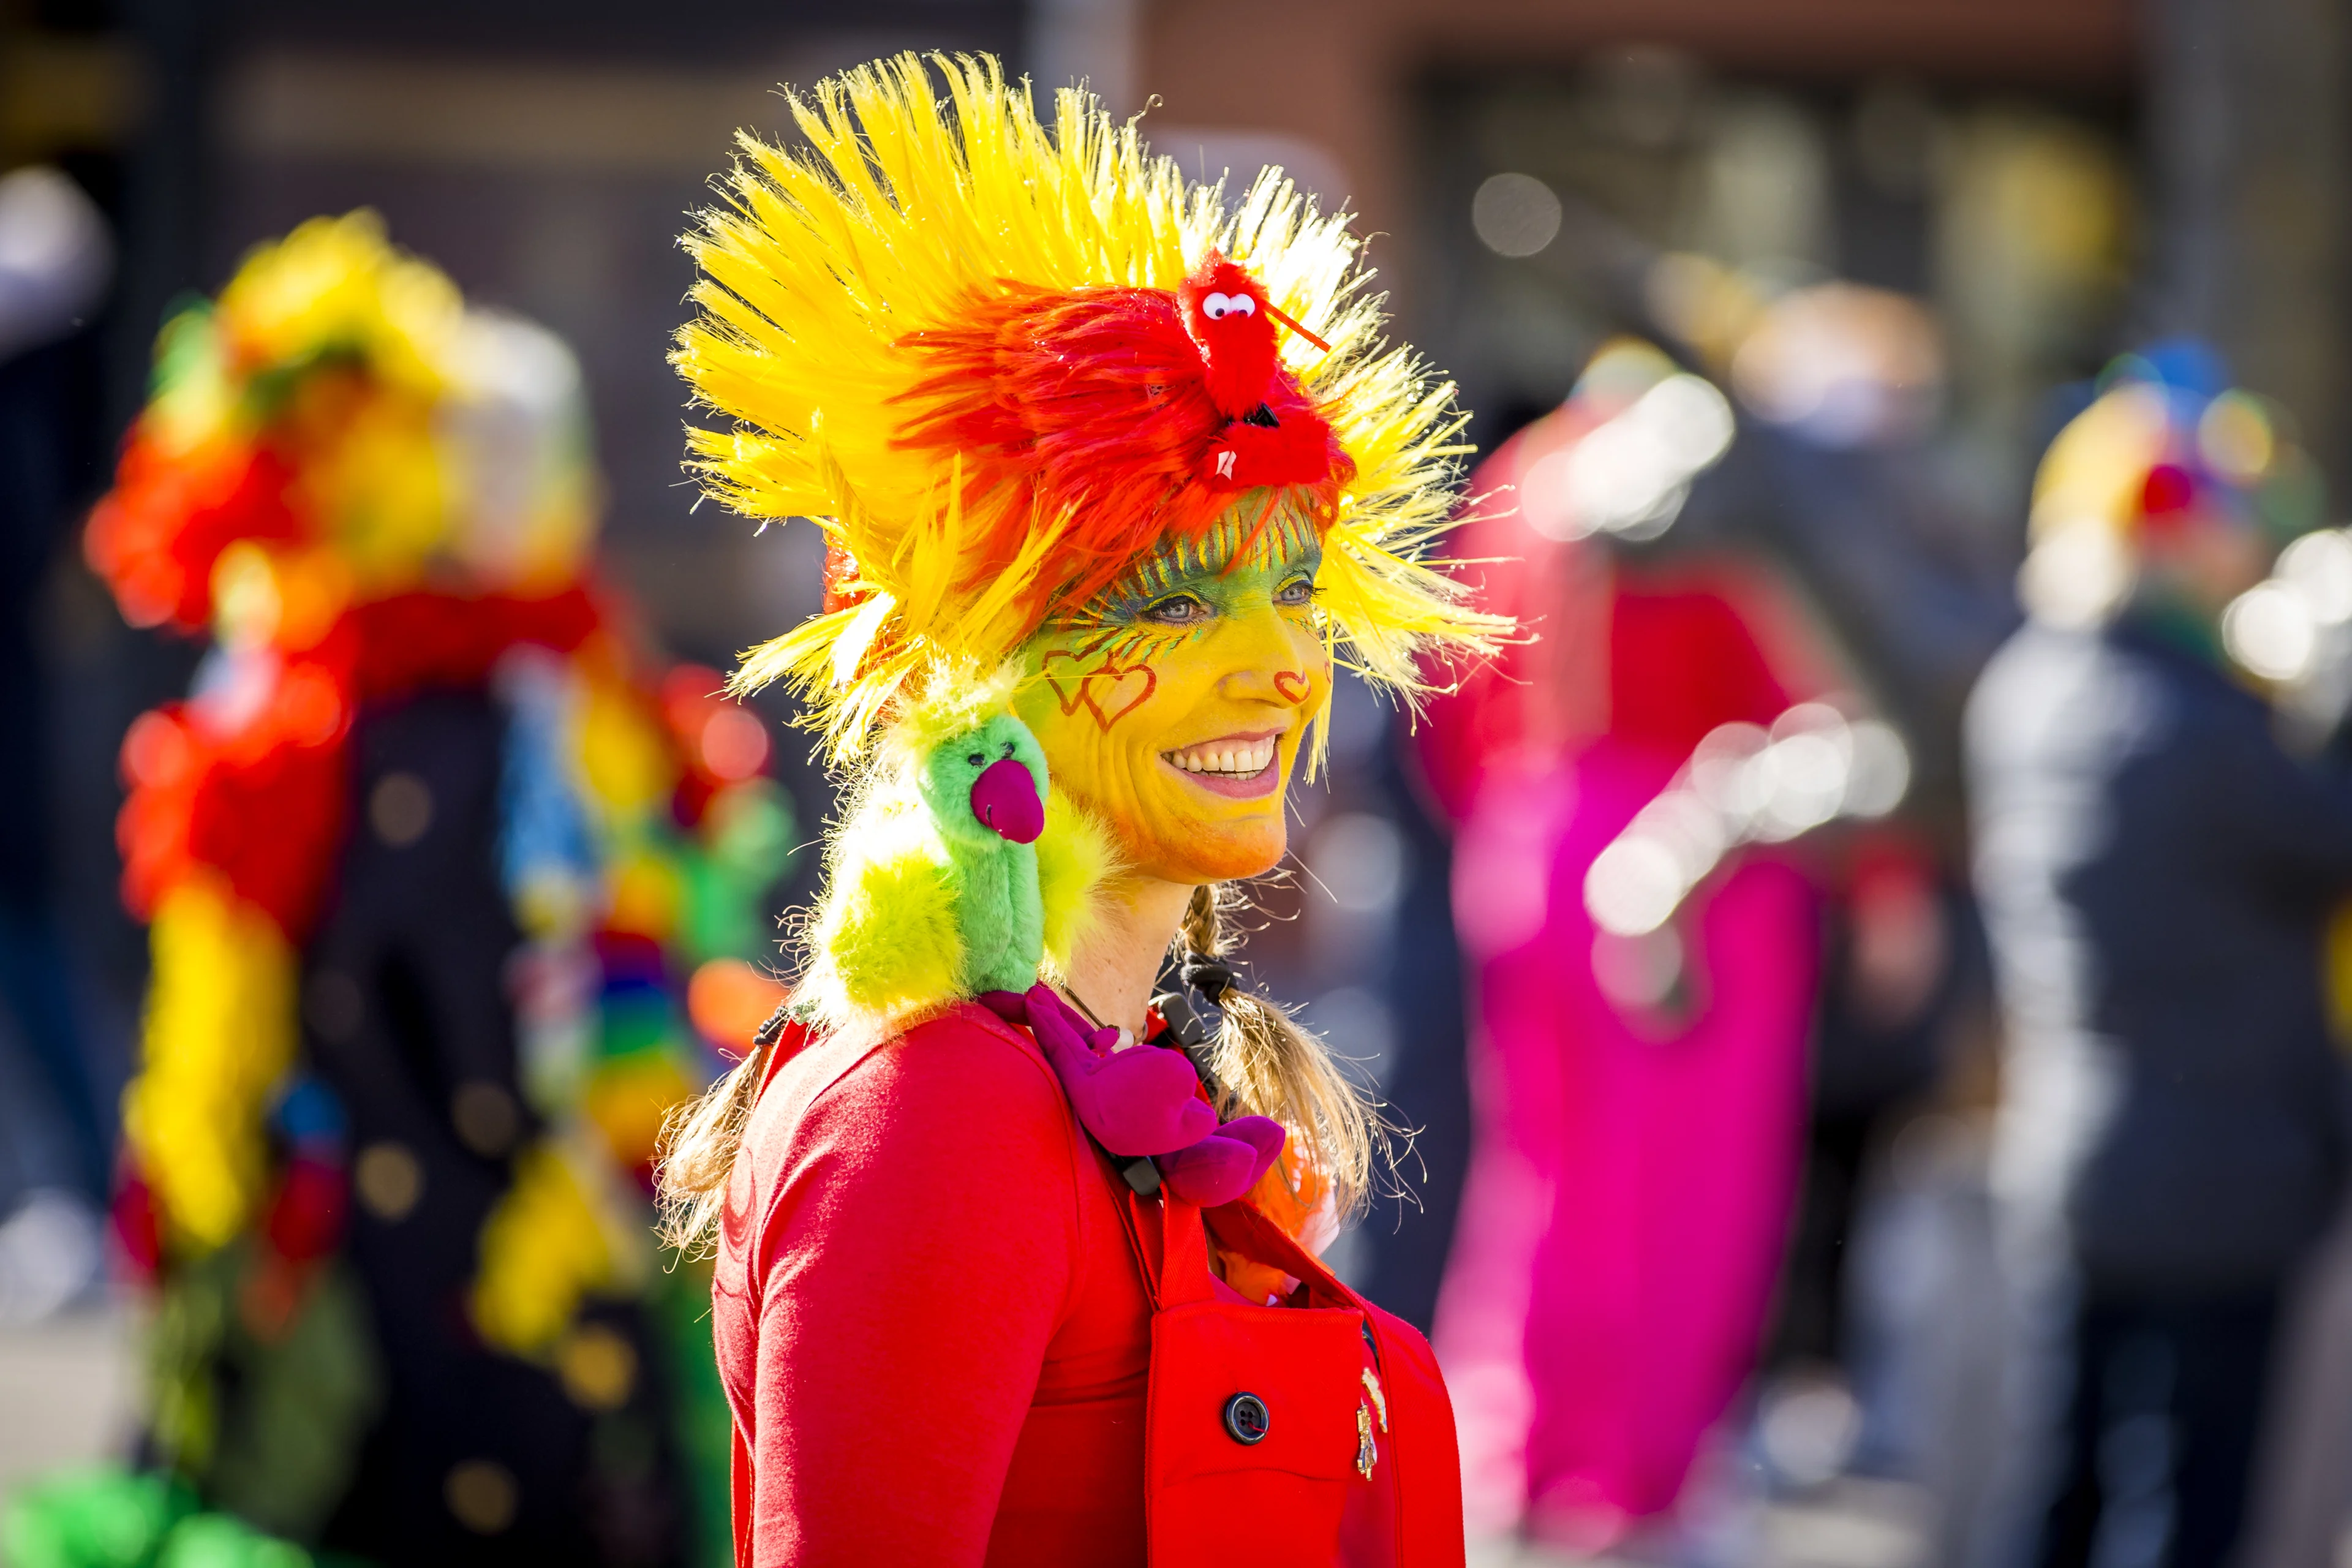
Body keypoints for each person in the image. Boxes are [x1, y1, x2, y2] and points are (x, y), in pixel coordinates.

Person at [653, 53, 1501, 1567]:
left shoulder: (1109, 1060)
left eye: (1296, 584)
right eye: (1173, 601)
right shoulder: (936, 1109)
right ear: (981, 670)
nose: (1280, 664)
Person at [9, 214, 790, 1568]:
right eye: (484, 460)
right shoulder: (386, 721)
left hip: (496, 1286)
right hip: (428, 1315)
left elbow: (623, 968)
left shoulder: (550, 704)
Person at [1967, 349, 2348, 1568]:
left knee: (2059, 1487)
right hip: (2230, 1174)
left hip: (2069, 1152)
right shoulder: (2206, 728)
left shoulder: (2025, 691)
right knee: (2191, 1506)